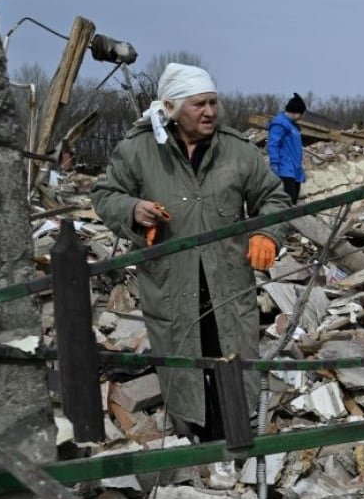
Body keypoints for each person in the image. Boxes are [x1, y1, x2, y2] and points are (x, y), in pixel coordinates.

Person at [91, 63, 291, 443]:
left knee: (233, 359)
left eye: (213, 102)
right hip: (171, 283)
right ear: (171, 108)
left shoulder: (236, 151)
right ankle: (193, 446)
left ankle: (237, 441)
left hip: (227, 282)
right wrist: (134, 210)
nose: (210, 112)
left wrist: (267, 232)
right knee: (183, 365)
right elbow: (105, 194)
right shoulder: (139, 151)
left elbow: (273, 196)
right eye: (199, 104)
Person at [267, 92, 307, 203]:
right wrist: (274, 162)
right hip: (285, 170)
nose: (301, 117)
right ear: (295, 112)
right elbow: (273, 144)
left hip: (295, 170)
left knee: (293, 201)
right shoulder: (280, 124)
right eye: (301, 114)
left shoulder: (292, 125)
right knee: (287, 201)